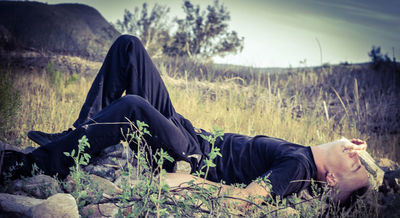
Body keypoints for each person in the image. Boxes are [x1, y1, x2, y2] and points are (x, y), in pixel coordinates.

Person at [0, 35, 370, 206]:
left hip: (189, 155)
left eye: (356, 163)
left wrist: (187, 181)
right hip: (189, 133)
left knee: (134, 106)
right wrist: (359, 160)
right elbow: (351, 162)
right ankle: (79, 135)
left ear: (332, 178)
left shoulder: (298, 168)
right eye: (359, 153)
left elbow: (246, 198)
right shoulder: (305, 154)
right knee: (129, 46)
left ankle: (34, 164)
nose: (356, 151)